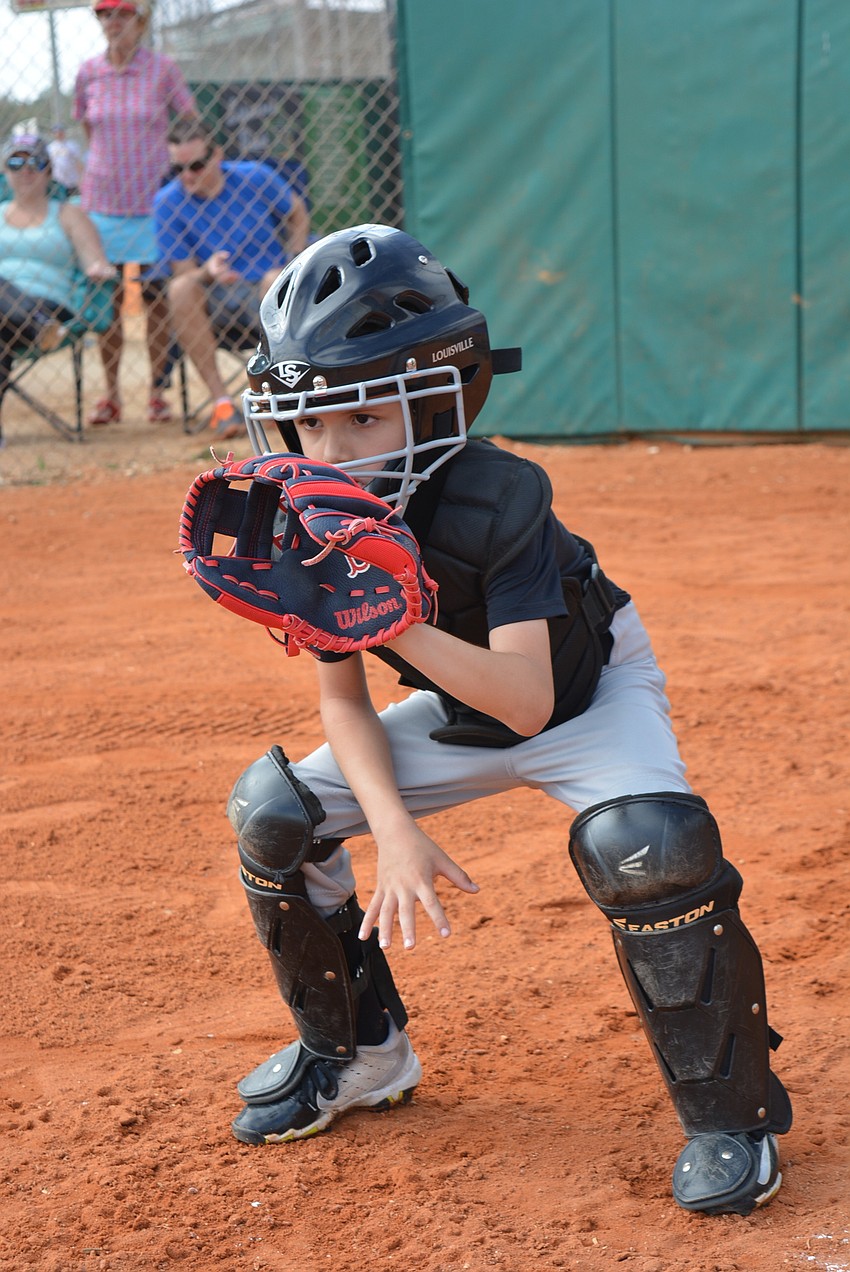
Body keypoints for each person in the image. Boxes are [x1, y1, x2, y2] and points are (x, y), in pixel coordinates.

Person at [217, 224, 792, 1217]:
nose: (330, 455)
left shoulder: (500, 495)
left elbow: (528, 702)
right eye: (308, 426)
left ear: (437, 396)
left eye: (359, 419)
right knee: (273, 812)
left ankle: (729, 1116)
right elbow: (342, 702)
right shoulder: (315, 521)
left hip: (584, 696)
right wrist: (393, 829)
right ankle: (355, 1054)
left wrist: (393, 614)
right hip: (460, 711)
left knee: (648, 849)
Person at [73, 0, 196, 426]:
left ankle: (156, 393)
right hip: (102, 203)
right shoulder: (88, 72)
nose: (114, 22)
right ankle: (110, 395)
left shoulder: (163, 69)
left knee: (156, 300)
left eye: (123, 14)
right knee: (106, 305)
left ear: (140, 21)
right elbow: (87, 127)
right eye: (105, 15)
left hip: (153, 204)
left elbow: (190, 119)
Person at [154, 117, 310, 441]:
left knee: (274, 280)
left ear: (217, 155)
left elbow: (297, 213)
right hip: (216, 298)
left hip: (266, 291)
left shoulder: (255, 177)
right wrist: (207, 272)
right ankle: (222, 404)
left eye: (195, 166)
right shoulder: (167, 202)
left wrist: (293, 259)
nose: (186, 176)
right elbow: (184, 272)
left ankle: (277, 395)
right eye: (177, 169)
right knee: (180, 288)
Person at [0, 131, 116, 435]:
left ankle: (37, 321)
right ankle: (34, 326)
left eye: (35, 163)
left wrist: (99, 269)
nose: (25, 170)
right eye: (16, 162)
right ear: (4, 170)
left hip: (52, 307)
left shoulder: (68, 214)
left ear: (48, 171)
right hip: (24, 324)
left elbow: (95, 260)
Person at [46, 123, 85, 196]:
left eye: (60, 131)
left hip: (72, 181)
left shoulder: (72, 145)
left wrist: (81, 179)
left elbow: (78, 162)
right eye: (56, 132)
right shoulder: (50, 148)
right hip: (57, 181)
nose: (58, 134)